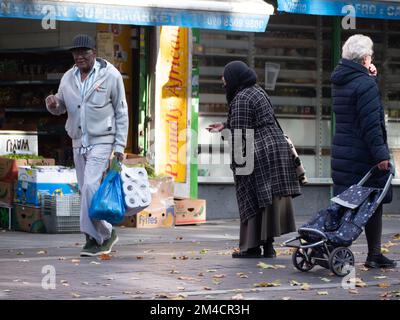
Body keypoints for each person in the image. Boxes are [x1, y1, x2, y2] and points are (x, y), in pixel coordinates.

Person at [45, 34, 129, 257]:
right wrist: (52, 103)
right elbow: (61, 107)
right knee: (85, 191)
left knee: (91, 186)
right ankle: (98, 236)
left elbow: (122, 112)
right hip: (78, 141)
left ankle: (100, 235)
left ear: (95, 53)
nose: (79, 56)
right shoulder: (68, 77)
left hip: (103, 140)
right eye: (76, 52)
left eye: (84, 52)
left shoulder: (110, 75)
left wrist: (119, 147)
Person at [208, 61, 301, 258]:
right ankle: (268, 247)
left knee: (250, 196)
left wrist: (237, 162)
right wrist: (224, 126)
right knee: (267, 200)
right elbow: (252, 120)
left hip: (258, 151)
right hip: (275, 148)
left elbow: (241, 134)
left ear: (234, 78)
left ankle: (251, 247)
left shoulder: (241, 98)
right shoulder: (257, 91)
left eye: (225, 77)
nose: (223, 81)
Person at [331, 34, 396, 268]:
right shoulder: (364, 83)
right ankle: (373, 254)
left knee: (346, 202)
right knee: (372, 202)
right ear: (365, 57)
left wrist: (369, 76)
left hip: (343, 150)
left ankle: (338, 248)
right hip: (362, 153)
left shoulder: (342, 80)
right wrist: (381, 156)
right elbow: (371, 123)